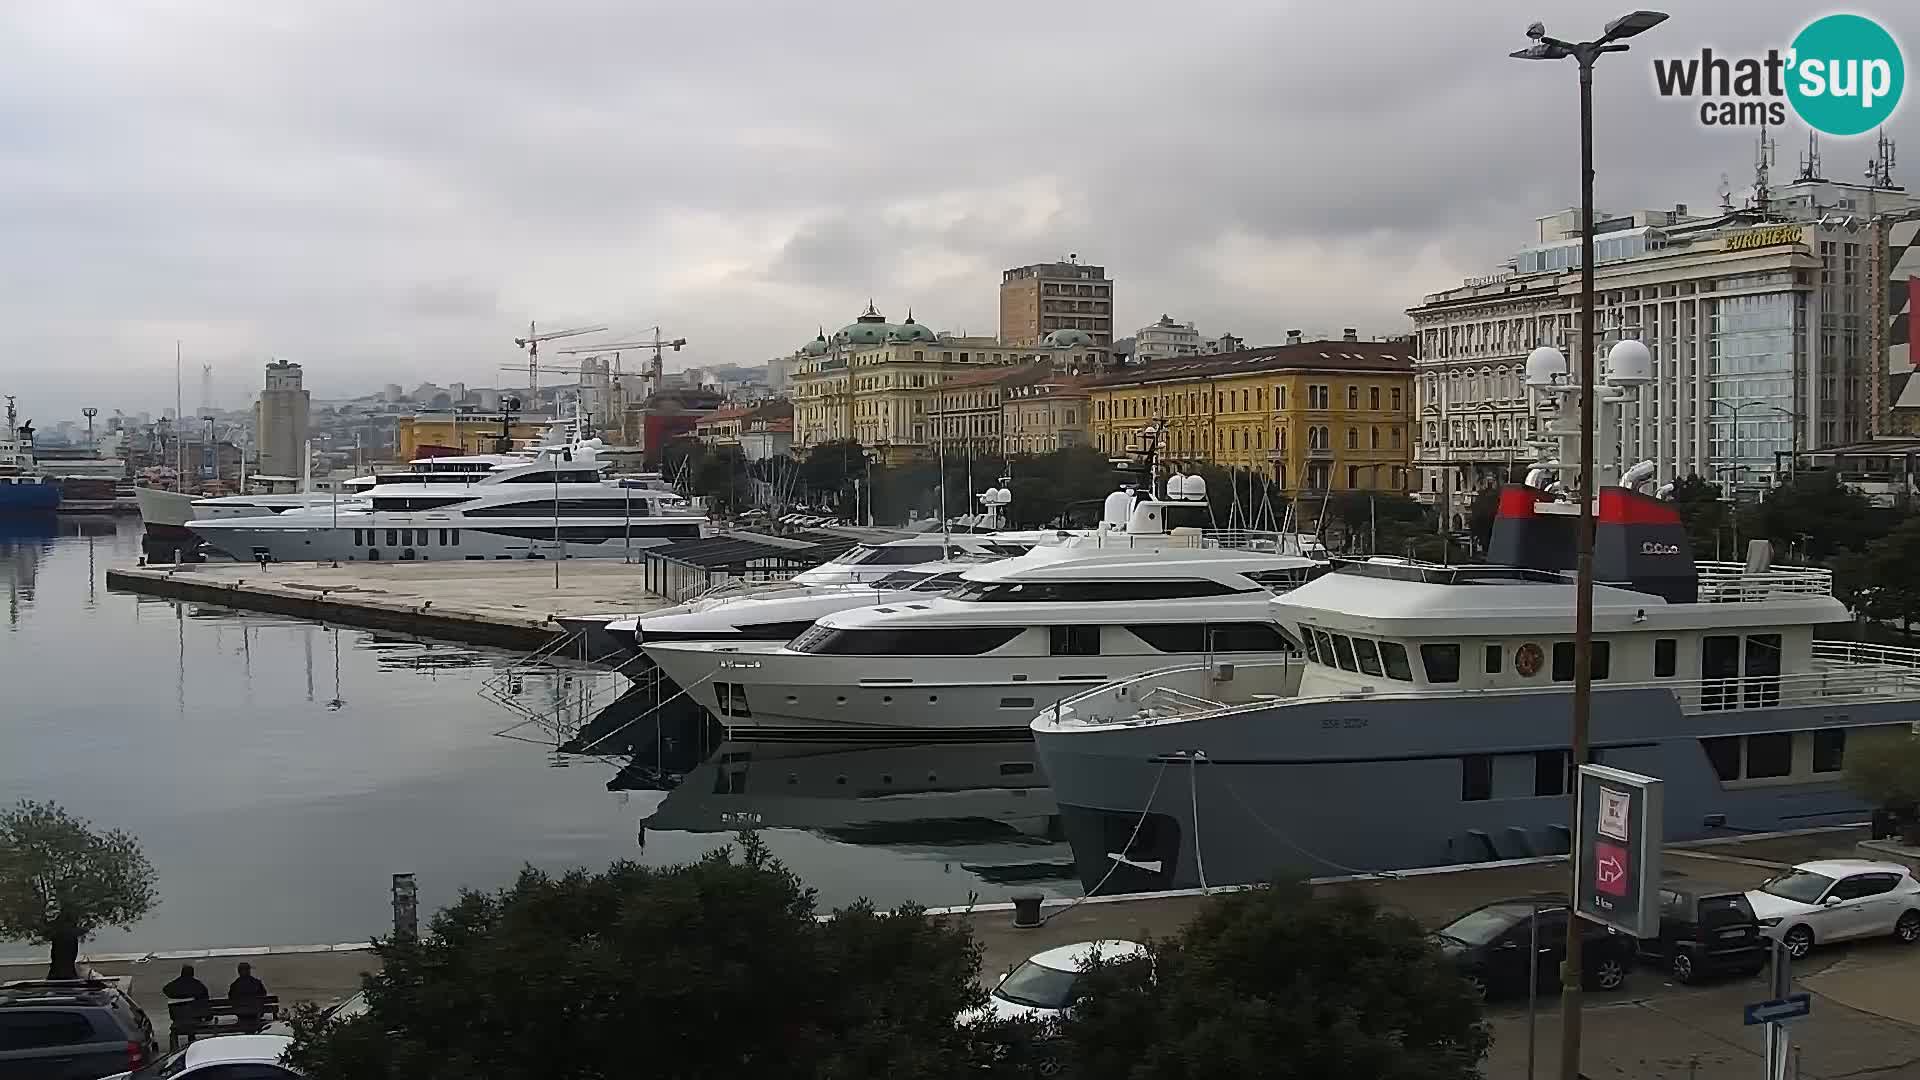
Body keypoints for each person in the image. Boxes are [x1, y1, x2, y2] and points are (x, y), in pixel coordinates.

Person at [228, 963, 270, 1032]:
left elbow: (231, 999)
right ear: (249, 971)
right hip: (255, 1013)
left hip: (241, 1014)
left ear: (238, 972)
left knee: (242, 1009)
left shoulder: (234, 985)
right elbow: (264, 995)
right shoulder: (256, 983)